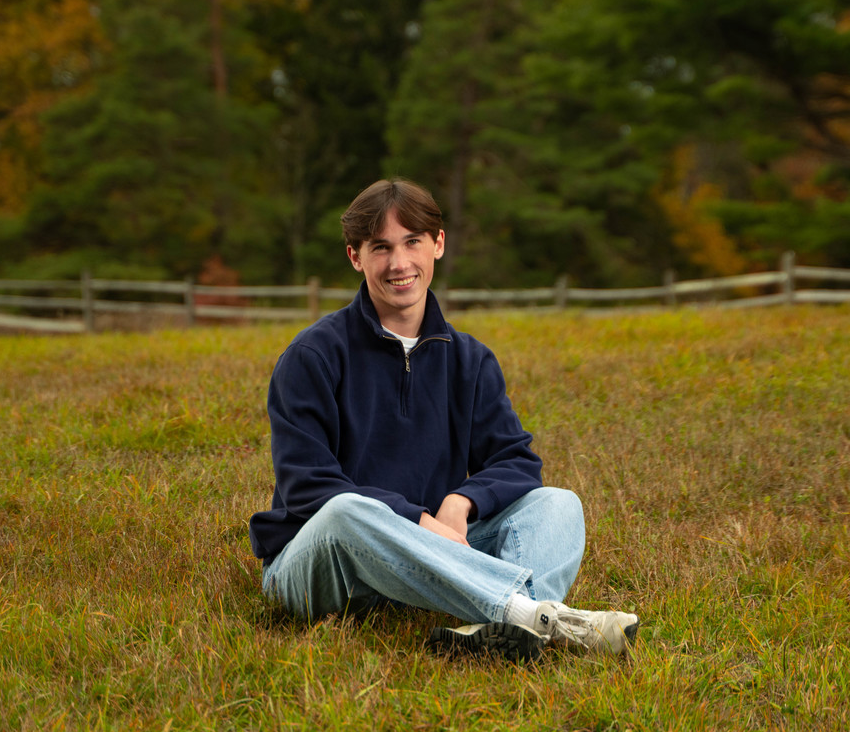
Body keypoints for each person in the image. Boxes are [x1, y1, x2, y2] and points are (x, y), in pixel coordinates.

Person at [248, 178, 639, 661]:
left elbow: (516, 461)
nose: (399, 263)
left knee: (558, 504)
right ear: (355, 257)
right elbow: (307, 485)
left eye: (413, 241)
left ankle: (498, 632)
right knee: (347, 510)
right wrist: (415, 519)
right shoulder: (313, 356)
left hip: (431, 556)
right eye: (381, 247)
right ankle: (532, 615)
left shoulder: (470, 360)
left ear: (438, 244)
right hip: (322, 564)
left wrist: (462, 501)